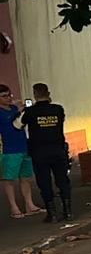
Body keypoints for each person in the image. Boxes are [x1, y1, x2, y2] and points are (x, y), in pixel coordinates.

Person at [20, 83, 71, 223]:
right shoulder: (58, 109)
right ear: (48, 93)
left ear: (35, 95)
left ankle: (52, 214)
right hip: (58, 150)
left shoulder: (31, 111)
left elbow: (18, 125)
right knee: (62, 181)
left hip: (39, 152)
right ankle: (68, 211)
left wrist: (23, 110)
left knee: (44, 183)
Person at [0, 85, 42, 220]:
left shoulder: (13, 108)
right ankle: (14, 207)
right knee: (9, 179)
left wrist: (23, 111)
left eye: (9, 95)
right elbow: (9, 125)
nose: (8, 98)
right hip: (9, 149)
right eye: (4, 96)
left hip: (23, 145)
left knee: (25, 178)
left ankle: (29, 204)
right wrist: (17, 112)